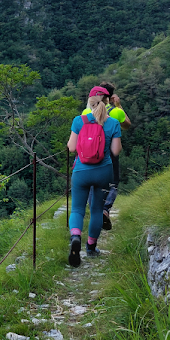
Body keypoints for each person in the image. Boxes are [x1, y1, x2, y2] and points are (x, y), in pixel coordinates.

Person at [67, 86, 122, 267]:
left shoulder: (78, 120)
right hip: (103, 171)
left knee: (77, 209)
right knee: (97, 210)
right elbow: (115, 151)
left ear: (89, 103)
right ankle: (91, 248)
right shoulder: (113, 123)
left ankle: (75, 237)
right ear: (107, 104)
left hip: (81, 171)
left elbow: (72, 148)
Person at [81, 81, 131, 229]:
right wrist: (118, 105)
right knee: (113, 182)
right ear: (110, 97)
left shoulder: (86, 112)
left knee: (92, 182)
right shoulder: (115, 112)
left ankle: (95, 210)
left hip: (90, 151)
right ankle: (105, 209)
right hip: (110, 151)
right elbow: (127, 124)